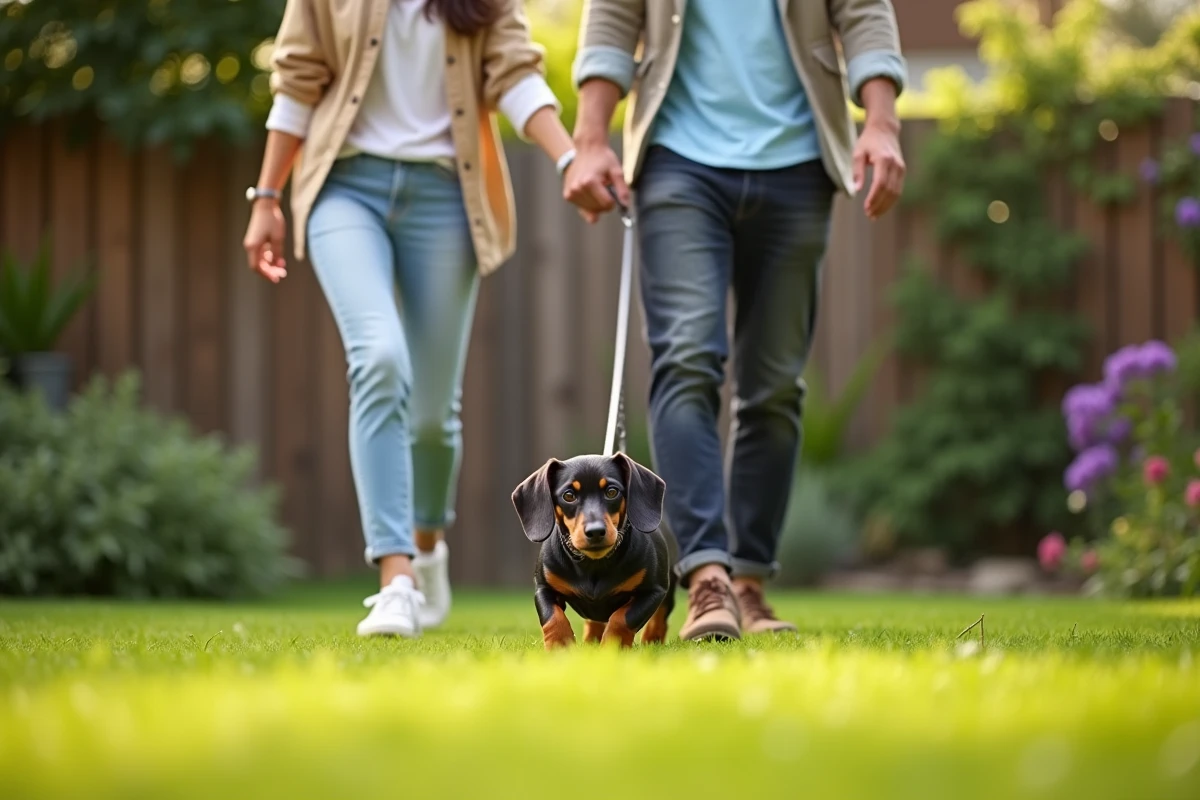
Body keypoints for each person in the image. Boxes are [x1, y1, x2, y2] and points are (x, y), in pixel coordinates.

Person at [244, 0, 593, 638]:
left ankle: (428, 546)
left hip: (446, 197)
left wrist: (571, 157)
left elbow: (514, 76)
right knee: (378, 358)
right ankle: (396, 579)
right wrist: (267, 196)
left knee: (434, 416)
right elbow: (297, 77)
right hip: (344, 188)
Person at [565, 0, 908, 640]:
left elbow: (864, 13)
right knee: (687, 360)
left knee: (774, 386)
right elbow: (612, 16)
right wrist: (589, 139)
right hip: (677, 162)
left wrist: (881, 122)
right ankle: (706, 578)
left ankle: (748, 581)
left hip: (799, 163)